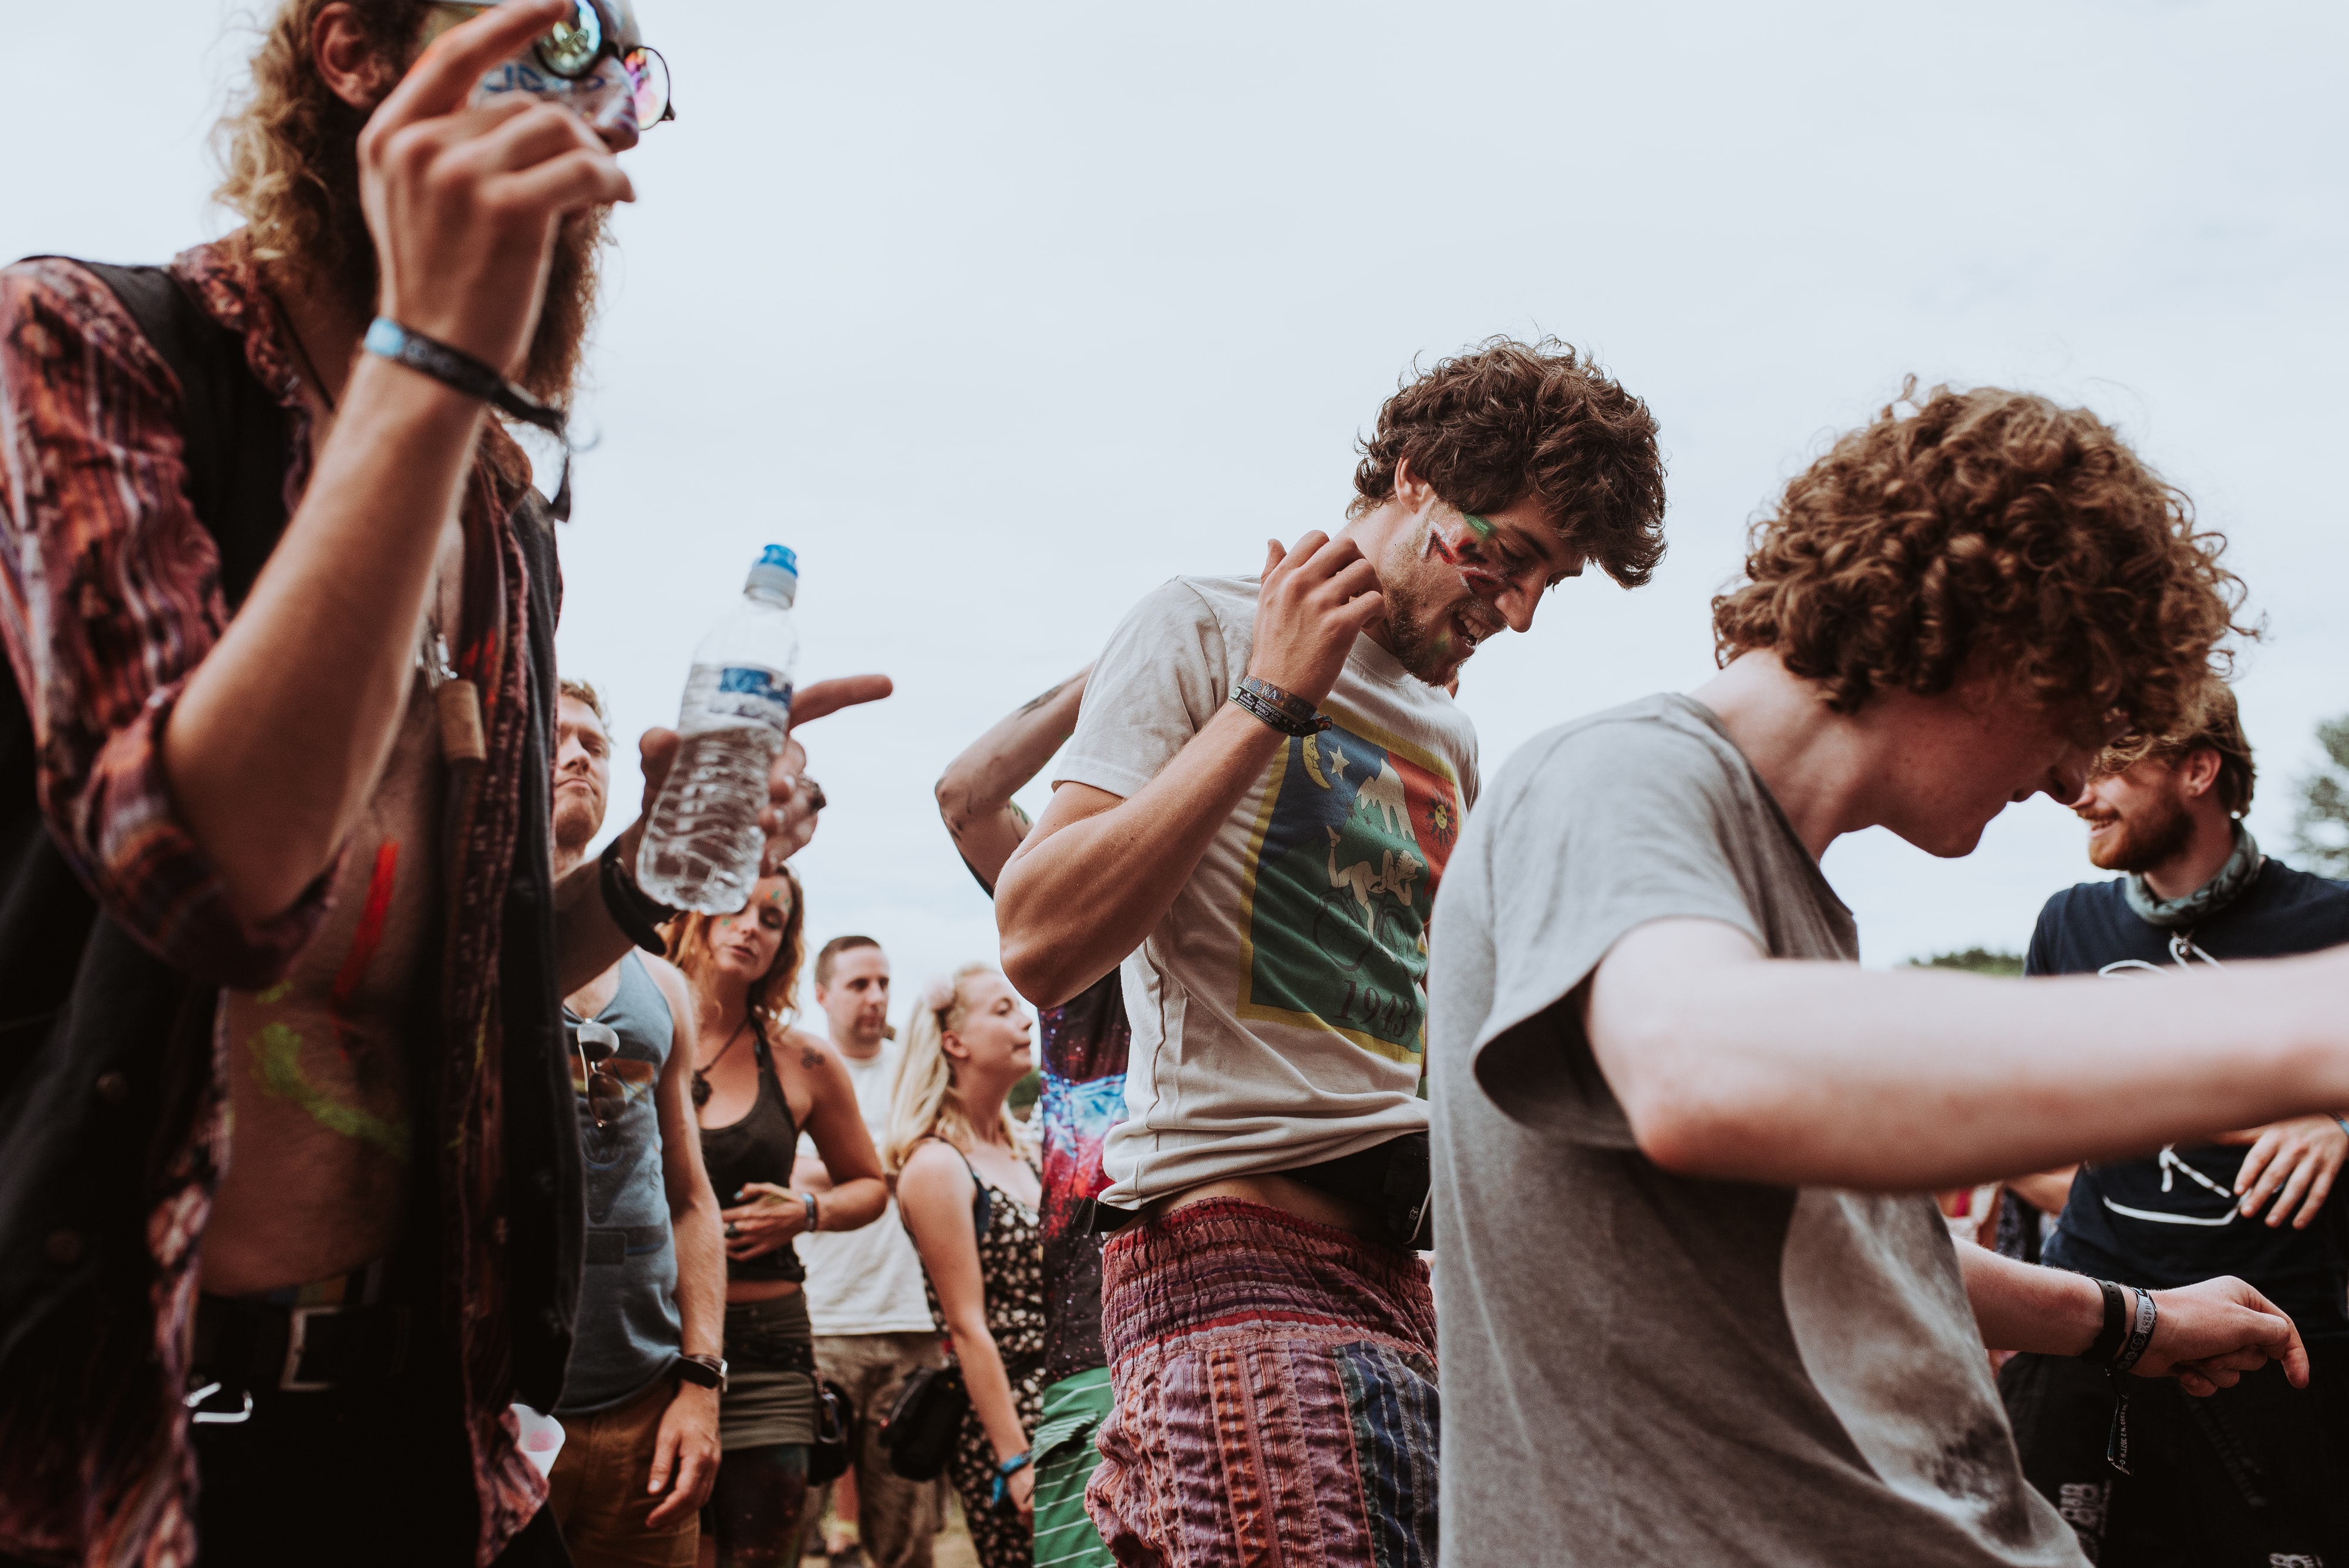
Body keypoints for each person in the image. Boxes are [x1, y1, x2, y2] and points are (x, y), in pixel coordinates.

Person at [0, 5, 876, 1562]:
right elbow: (217, 870)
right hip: (110, 1417)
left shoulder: (502, 523)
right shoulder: (86, 347)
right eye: (553, 43)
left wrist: (642, 879)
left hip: (430, 1425)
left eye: (624, 87)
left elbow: (477, 976)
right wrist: (429, 357)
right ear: (356, 54)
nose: (597, 114)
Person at [1425, 380, 2344, 1567]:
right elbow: (1701, 1069)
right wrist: (2312, 1014)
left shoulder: (1781, 897)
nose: (2070, 779)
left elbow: (1857, 1251)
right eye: (2084, 702)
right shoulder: (1614, 778)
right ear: (1993, 631)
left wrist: (2129, 1322)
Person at [994, 338, 1668, 1561]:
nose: (1515, 612)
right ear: (1412, 478)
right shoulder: (1201, 625)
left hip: (1405, 1276)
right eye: (1504, 556)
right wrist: (1270, 700)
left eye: (1545, 586)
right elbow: (1038, 937)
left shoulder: (1449, 735)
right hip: (1225, 1257)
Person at [1996, 682, 2349, 1565]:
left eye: (2114, 759)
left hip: (2276, 1352)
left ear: (2199, 769)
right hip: (2095, 1338)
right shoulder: (2068, 923)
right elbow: (2025, 1134)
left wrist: (2342, 1127)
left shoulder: (2333, 920)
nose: (2082, 787)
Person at [936, 668, 1126, 1568]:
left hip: (1259, 1296)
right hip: (1093, 1335)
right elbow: (967, 795)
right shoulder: (1086, 907)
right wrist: (1127, 663)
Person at [546, 678, 726, 1566]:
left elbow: (691, 1197)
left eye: (595, 740)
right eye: (555, 734)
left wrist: (700, 1382)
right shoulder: (461, 947)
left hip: (646, 1407)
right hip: (503, 1408)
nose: (580, 752)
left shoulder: (663, 986)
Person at [670, 872, 889, 1568]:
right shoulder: (634, 1029)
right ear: (695, 914)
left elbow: (871, 1186)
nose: (751, 926)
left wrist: (808, 1210)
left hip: (768, 1352)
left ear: (785, 944)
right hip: (651, 1340)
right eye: (734, 906)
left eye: (772, 917)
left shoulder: (803, 1060)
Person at [792, 935, 948, 1568]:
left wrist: (839, 1172)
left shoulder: (914, 1071)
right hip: (818, 1325)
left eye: (884, 982)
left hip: (910, 1326)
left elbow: (936, 1165)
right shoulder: (798, 1071)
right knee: (786, 1523)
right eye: (859, 984)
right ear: (822, 995)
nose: (876, 997)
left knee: (906, 1541)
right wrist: (891, 1169)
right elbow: (783, 1174)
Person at [887, 968, 1048, 1568]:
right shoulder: (936, 1165)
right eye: (1003, 1010)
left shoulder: (1025, 1152)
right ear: (954, 1043)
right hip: (1010, 1419)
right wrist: (1014, 1458)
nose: (1026, 1019)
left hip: (1073, 1402)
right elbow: (967, 1326)